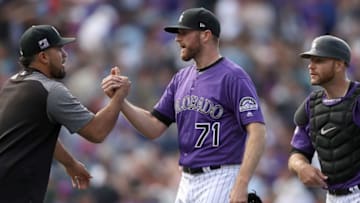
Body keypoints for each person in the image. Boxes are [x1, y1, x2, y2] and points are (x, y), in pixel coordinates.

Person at [102, 7, 266, 203]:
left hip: (222, 175)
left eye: (184, 32)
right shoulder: (181, 78)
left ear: (205, 35)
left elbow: (257, 131)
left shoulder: (233, 76)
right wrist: (121, 102)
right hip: (187, 179)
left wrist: (242, 182)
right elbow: (154, 126)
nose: (178, 39)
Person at [0, 25, 130, 203]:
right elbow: (97, 132)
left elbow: (37, 133)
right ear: (43, 56)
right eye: (59, 49)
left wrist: (70, 163)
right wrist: (118, 97)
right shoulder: (50, 91)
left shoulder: (12, 84)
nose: (65, 54)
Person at [288, 35, 360, 203]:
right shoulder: (312, 105)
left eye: (319, 61)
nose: (311, 66)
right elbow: (296, 153)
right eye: (310, 61)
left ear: (339, 65)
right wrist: (302, 167)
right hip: (332, 197)